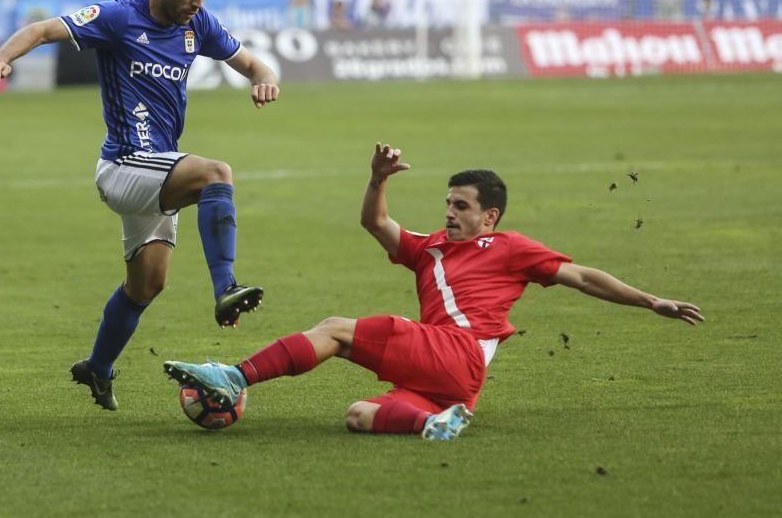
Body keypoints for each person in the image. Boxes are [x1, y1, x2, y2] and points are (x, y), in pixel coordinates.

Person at [165, 143, 704, 441]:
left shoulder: (510, 247)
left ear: (488, 216)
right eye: (448, 202)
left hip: (458, 350)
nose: (450, 211)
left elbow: (582, 276)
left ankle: (234, 377)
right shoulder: (430, 249)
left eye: (462, 206)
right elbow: (376, 224)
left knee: (334, 329)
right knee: (360, 416)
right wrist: (378, 179)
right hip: (459, 384)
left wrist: (651, 300)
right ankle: (438, 421)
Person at [0, 0, 281, 412]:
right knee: (216, 174)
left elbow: (252, 63)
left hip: (159, 169)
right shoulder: (118, 18)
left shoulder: (197, 24)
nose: (197, 2)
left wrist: (264, 80)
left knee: (146, 286)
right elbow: (41, 29)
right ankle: (226, 287)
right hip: (123, 166)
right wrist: (1, 59)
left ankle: (97, 367)